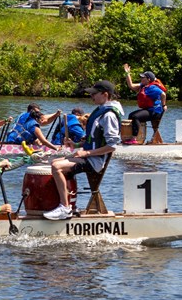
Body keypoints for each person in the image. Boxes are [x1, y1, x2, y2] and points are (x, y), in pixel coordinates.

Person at [44, 80, 124, 220]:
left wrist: (86, 153)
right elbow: (92, 139)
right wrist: (74, 145)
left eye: (94, 94)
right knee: (54, 161)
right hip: (90, 157)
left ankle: (65, 208)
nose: (91, 96)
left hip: (95, 161)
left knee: (57, 167)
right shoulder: (100, 110)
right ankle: (66, 202)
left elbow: (112, 145)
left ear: (105, 95)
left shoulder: (109, 115)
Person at [122, 64, 167, 144]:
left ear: (148, 79)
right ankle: (137, 138)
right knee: (131, 115)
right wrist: (127, 73)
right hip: (148, 110)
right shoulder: (143, 86)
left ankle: (134, 139)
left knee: (135, 116)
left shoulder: (152, 87)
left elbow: (163, 94)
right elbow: (131, 85)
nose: (141, 78)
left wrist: (163, 105)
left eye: (143, 77)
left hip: (155, 112)